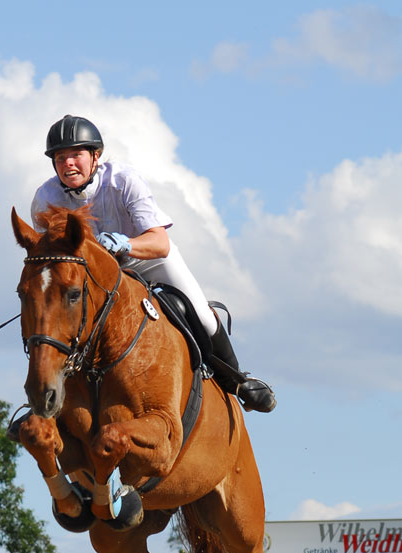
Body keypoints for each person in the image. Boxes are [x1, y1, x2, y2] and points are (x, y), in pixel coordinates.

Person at [30, 114, 275, 414]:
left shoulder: (123, 181)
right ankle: (46, 400)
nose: (68, 164)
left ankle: (237, 382)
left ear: (95, 156)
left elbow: (160, 242)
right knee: (55, 320)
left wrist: (125, 244)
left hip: (146, 259)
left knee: (201, 313)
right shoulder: (45, 198)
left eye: (75, 155)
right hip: (96, 276)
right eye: (60, 158)